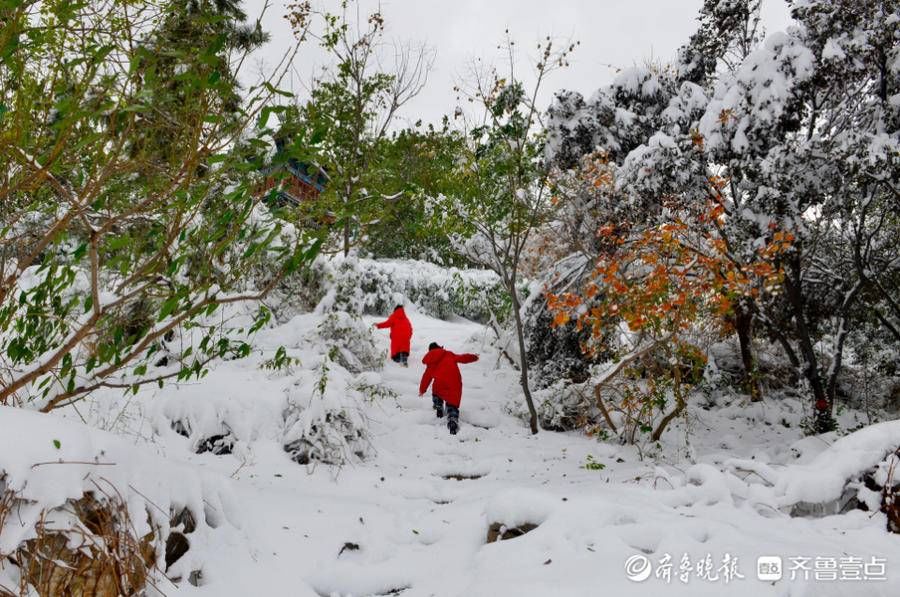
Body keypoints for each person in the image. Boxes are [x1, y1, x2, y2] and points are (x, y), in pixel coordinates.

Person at [419, 342, 479, 435]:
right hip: (454, 381)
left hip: (440, 382)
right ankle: (452, 418)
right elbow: (462, 358)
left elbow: (426, 377)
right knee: (452, 401)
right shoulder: (448, 354)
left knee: (436, 389)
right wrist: (474, 357)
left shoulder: (431, 362)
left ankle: (438, 406)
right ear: (439, 347)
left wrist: (422, 390)